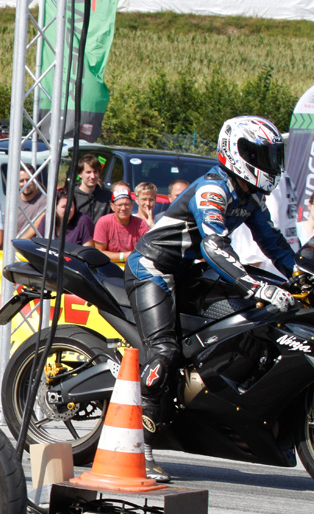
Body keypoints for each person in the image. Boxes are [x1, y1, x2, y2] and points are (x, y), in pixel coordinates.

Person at [126, 116, 296, 483]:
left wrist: (300, 276)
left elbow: (274, 243)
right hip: (153, 267)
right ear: (237, 153)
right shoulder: (213, 190)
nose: (270, 164)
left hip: (189, 271)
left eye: (273, 155)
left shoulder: (249, 196)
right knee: (164, 350)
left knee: (240, 321)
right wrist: (255, 285)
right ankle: (141, 448)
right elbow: (215, 247)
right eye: (262, 155)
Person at [92, 182, 149, 262]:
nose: (123, 208)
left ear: (132, 205)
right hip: (109, 265)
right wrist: (122, 256)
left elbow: (146, 251)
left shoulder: (141, 224)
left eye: (127, 204)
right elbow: (99, 252)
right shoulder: (103, 222)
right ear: (112, 207)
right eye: (119, 205)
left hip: (134, 265)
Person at [18, 187, 94, 246]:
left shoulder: (83, 221)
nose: (68, 210)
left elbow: (87, 253)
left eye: (70, 206)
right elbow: (40, 246)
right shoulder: (47, 220)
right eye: (64, 207)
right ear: (55, 208)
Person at [72, 154, 112, 223]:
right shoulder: (71, 197)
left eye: (95, 172)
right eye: (88, 172)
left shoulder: (108, 197)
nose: (93, 176)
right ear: (80, 174)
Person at [14, 166, 48, 236]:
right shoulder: (13, 201)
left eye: (29, 180)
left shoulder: (44, 200)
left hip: (31, 242)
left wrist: (18, 242)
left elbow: (35, 227)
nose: (25, 184)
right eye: (21, 181)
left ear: (36, 179)